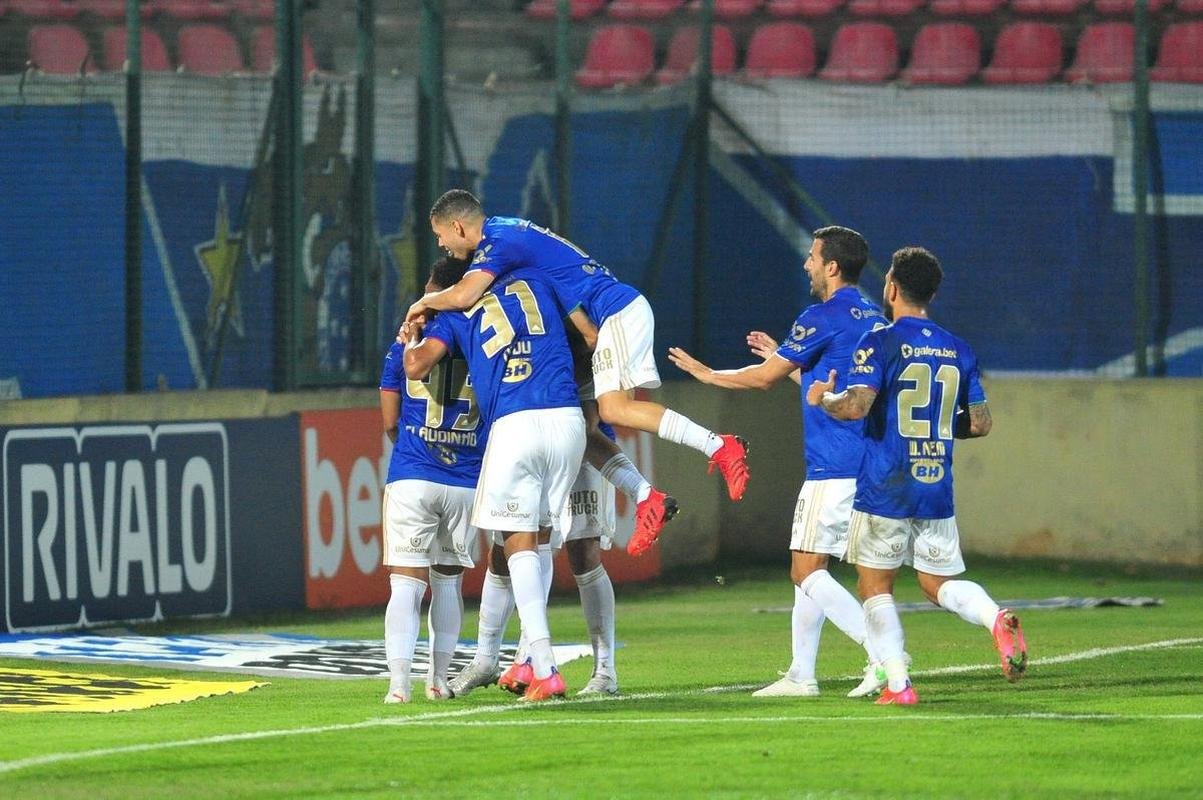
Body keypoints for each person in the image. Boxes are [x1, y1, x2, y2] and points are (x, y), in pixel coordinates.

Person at [404, 189, 752, 554]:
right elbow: (581, 327)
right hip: (601, 326)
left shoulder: (500, 242)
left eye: (440, 235)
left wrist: (422, 302)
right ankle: (647, 496)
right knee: (585, 428)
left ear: (457, 226)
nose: (441, 244)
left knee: (614, 409)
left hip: (616, 311)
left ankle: (719, 445)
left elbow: (462, 296)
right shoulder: (511, 237)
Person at [667, 226, 889, 698]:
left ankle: (884, 654)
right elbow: (833, 389)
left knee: (805, 572)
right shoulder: (873, 317)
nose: (807, 264)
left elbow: (764, 379)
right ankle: (801, 674)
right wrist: (792, 362)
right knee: (811, 567)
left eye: (813, 257)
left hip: (834, 466)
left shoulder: (822, 315)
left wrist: (708, 374)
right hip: (870, 463)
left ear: (832, 266)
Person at [808, 246, 1028, 706]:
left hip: (886, 484)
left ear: (890, 288)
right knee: (935, 583)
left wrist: (823, 399)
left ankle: (898, 685)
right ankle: (993, 617)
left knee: (875, 586)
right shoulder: (958, 348)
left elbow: (855, 406)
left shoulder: (880, 341)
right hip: (935, 487)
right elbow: (981, 422)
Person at [403, 258, 585, 702]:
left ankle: (543, 665)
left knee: (516, 542)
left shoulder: (454, 311)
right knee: (536, 540)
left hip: (517, 423)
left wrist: (414, 332)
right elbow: (585, 334)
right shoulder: (536, 280)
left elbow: (417, 366)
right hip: (568, 418)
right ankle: (520, 659)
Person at [378, 260, 486, 704]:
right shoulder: (486, 344)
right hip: (464, 480)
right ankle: (439, 680)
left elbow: (389, 422)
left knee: (406, 584)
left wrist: (416, 441)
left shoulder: (404, 348)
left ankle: (398, 687)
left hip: (413, 475)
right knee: (447, 583)